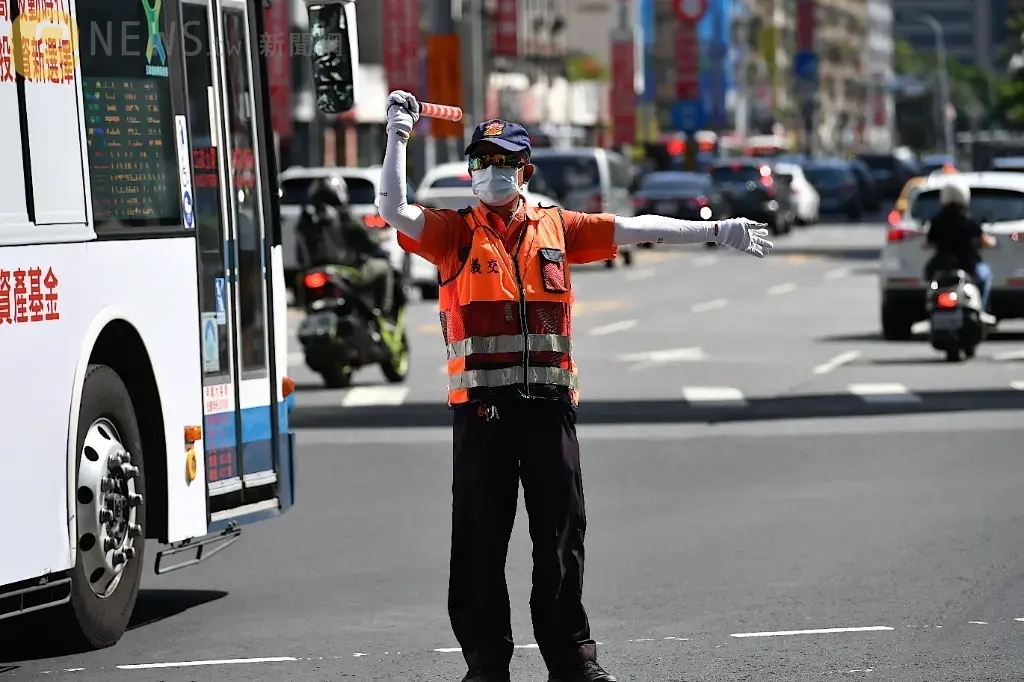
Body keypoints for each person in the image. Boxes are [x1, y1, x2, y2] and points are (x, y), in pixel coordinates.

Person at [377, 90, 773, 682]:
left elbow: (636, 229)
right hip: (482, 414)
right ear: (470, 171)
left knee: (561, 540)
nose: (492, 172)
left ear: (525, 170)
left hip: (548, 412)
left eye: (504, 161)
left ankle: (572, 661)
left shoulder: (558, 227)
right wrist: (397, 136)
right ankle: (486, 665)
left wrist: (716, 230)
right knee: (480, 545)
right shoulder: (452, 234)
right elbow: (392, 208)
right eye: (481, 162)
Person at [298, 176, 395, 316]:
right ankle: (383, 312)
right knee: (385, 267)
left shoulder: (305, 218)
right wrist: (378, 239)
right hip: (346, 271)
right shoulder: (344, 215)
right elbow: (368, 239)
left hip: (312, 272)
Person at [925, 179, 995, 310]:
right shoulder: (968, 219)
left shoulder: (937, 220)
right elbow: (984, 240)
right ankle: (982, 310)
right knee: (985, 277)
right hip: (968, 265)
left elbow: (928, 241)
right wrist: (992, 243)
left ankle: (931, 305)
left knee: (930, 281)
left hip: (941, 265)